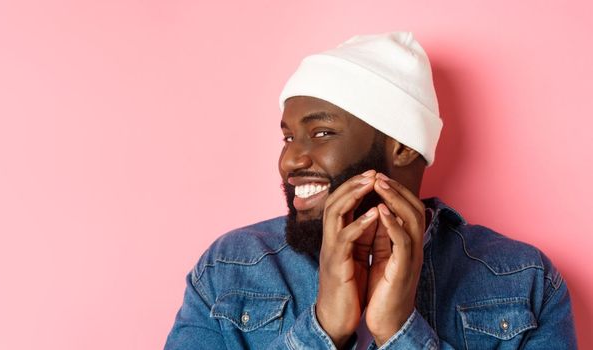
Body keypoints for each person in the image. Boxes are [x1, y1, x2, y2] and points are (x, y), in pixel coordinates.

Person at [164, 32, 577, 349]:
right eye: (288, 138)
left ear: (402, 147)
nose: (289, 162)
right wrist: (323, 326)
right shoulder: (229, 269)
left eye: (321, 132)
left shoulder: (523, 281)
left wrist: (400, 330)